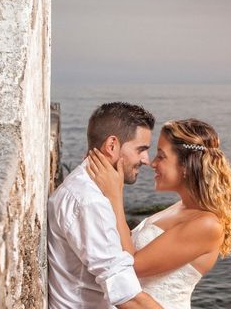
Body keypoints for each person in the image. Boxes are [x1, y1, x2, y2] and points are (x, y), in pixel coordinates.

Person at [86, 118, 231, 309]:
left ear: (184, 166)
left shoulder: (207, 225)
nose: (152, 163)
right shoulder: (181, 207)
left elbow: (129, 266)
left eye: (161, 156)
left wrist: (114, 196)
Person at [47, 102, 162, 309]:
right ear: (111, 146)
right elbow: (128, 296)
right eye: (141, 149)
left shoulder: (91, 190)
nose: (146, 160)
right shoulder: (89, 201)